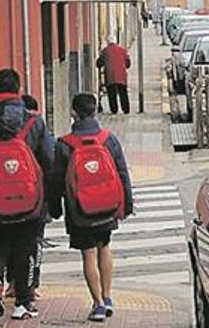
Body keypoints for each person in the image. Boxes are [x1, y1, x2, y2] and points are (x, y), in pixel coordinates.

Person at [0, 70, 54, 320]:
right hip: (31, 201)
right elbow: (49, 161)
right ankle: (22, 302)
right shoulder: (34, 121)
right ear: (19, 88)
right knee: (26, 249)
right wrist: (51, 199)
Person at [51, 93, 133, 322]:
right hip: (107, 206)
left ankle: (97, 305)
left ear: (74, 113)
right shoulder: (109, 139)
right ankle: (108, 297)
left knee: (88, 254)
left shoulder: (64, 144)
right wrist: (127, 204)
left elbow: (57, 179)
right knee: (104, 247)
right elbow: (123, 172)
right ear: (95, 111)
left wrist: (55, 208)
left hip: (79, 210)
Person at [96, 36, 131, 115]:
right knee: (123, 93)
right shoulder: (123, 50)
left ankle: (114, 109)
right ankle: (126, 109)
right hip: (121, 76)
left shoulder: (105, 51)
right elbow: (128, 64)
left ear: (108, 42)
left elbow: (99, 63)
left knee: (111, 93)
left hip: (110, 75)